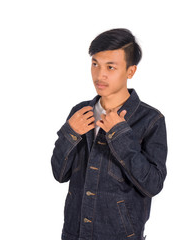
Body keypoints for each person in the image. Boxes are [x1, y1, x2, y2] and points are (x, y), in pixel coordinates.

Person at [51, 28, 167, 240]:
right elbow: (59, 174)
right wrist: (70, 133)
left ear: (130, 72)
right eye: (95, 64)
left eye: (110, 67)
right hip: (74, 234)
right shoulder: (80, 112)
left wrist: (120, 134)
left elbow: (153, 185)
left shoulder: (151, 120)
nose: (99, 74)